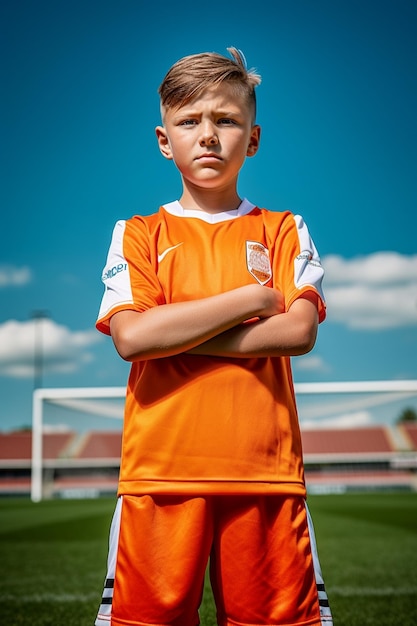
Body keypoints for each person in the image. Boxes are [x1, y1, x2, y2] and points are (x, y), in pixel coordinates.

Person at [95, 47, 333, 626]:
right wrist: (249, 301)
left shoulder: (282, 229)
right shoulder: (138, 233)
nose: (208, 135)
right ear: (163, 139)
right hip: (158, 473)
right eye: (189, 121)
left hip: (266, 476)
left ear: (252, 138)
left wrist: (171, 331)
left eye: (226, 120)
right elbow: (131, 338)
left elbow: (298, 331)